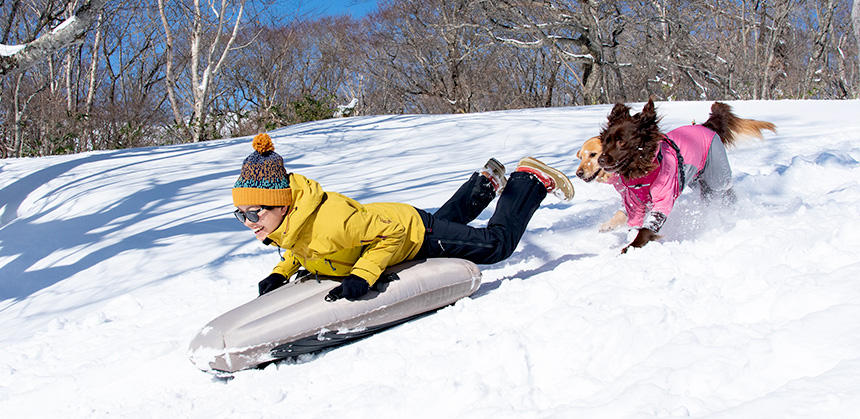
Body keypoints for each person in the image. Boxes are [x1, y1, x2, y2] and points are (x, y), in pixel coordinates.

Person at [232, 133, 574, 301]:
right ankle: (485, 183)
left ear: (282, 204)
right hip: (397, 222)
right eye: (240, 214)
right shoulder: (289, 223)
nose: (248, 222)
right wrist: (281, 272)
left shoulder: (332, 220)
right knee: (448, 223)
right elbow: (305, 246)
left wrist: (363, 275)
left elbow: (392, 234)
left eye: (253, 212)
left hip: (410, 232)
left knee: (495, 246)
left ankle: (528, 181)